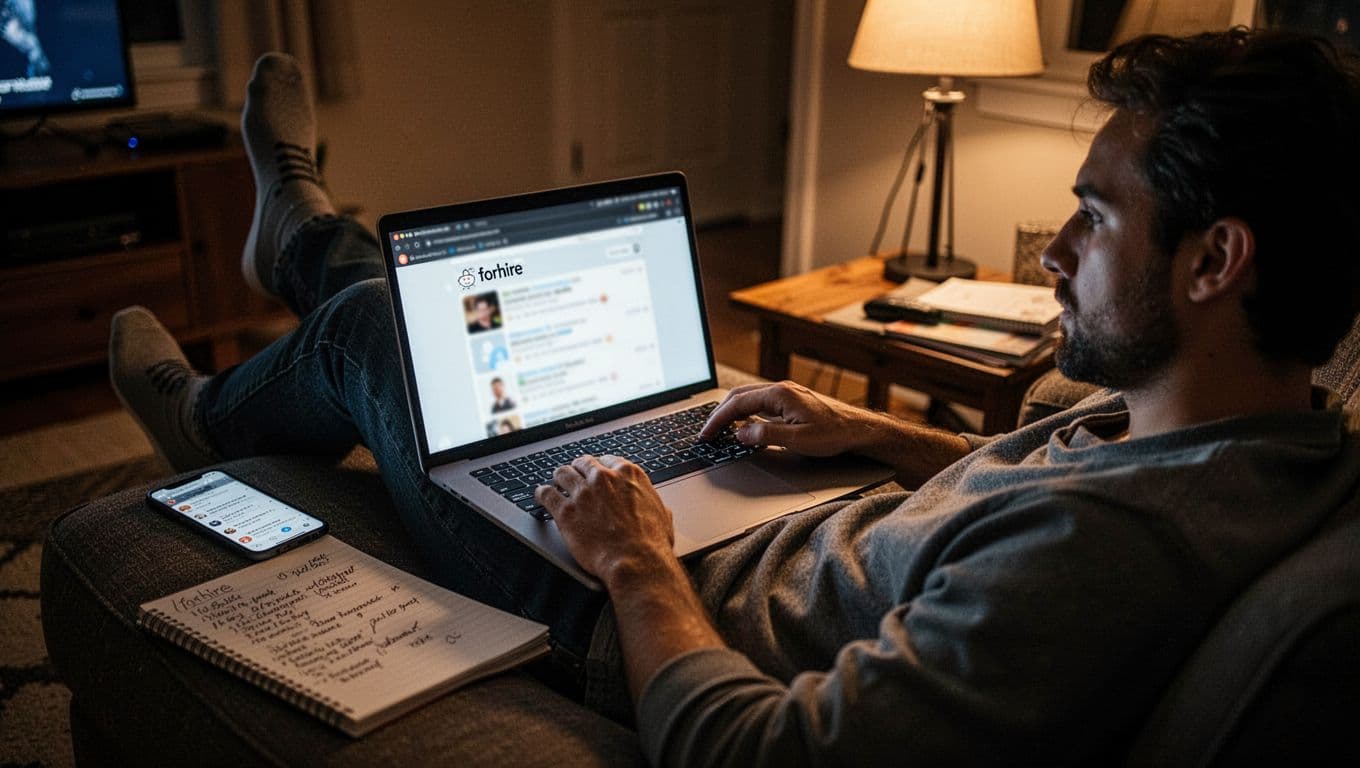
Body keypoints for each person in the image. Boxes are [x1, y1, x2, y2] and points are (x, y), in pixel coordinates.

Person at [109, 31, 1360, 765]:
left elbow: (755, 752)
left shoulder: (1110, 557)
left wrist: (635, 563)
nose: (1048, 253)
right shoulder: (1266, 438)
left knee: (388, 327)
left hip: (632, 612)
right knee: (416, 321)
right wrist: (873, 431)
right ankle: (308, 233)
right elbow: (1029, 486)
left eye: (1091, 218)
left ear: (1214, 260)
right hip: (775, 516)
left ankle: (214, 409)